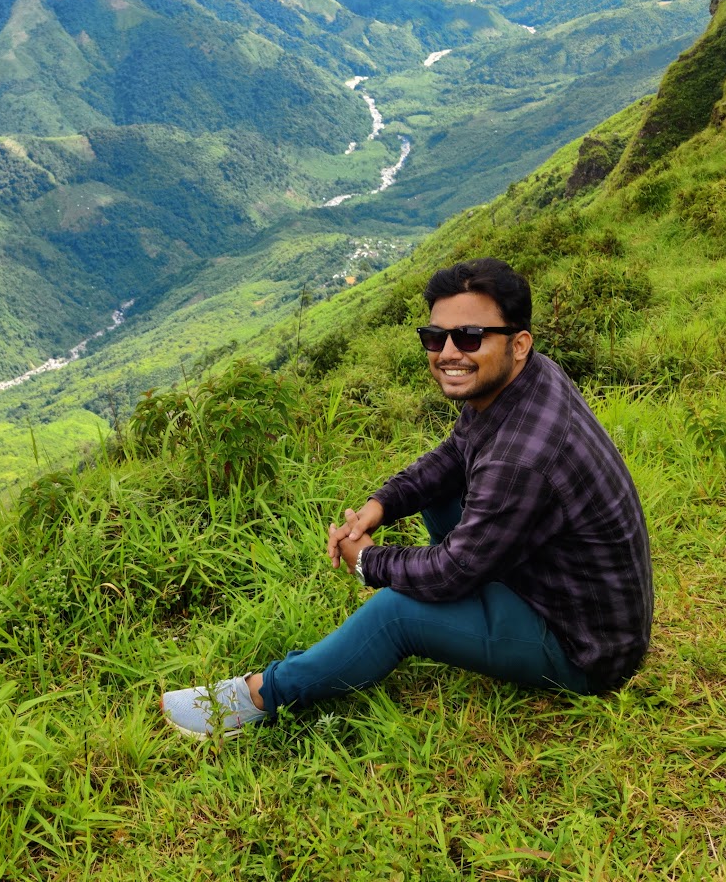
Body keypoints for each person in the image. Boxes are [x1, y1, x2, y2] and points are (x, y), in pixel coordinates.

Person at [160, 257, 653, 737]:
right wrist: (381, 504)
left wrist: (368, 562)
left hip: (583, 648)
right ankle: (467, 608)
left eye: (471, 337)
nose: (449, 353)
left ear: (518, 343)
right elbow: (455, 455)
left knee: (395, 614)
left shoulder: (521, 455)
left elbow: (450, 571)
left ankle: (257, 697)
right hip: (560, 586)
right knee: (438, 495)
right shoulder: (524, 380)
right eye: (435, 337)